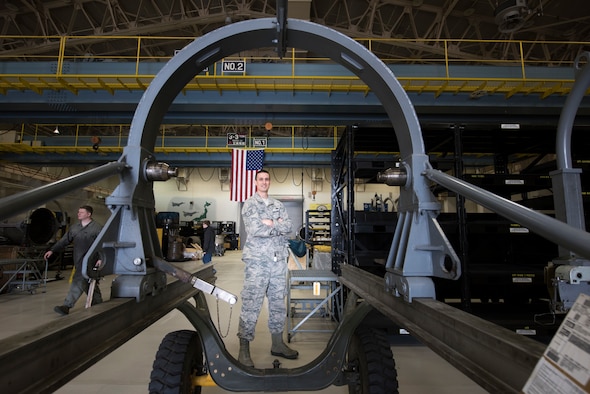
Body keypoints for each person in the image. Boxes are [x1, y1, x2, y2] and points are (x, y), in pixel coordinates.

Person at [237, 169, 298, 367]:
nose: (264, 182)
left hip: (278, 261)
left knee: (278, 303)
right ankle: (244, 349)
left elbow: (288, 226)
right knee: (251, 303)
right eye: (260, 179)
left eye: (266, 179)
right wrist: (276, 225)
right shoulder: (249, 204)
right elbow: (254, 229)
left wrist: (269, 223)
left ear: (269, 182)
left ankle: (278, 344)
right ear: (255, 182)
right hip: (257, 262)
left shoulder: (278, 204)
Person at [44, 205, 103, 315]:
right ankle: (98, 302)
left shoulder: (97, 228)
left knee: (79, 281)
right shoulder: (75, 228)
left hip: (91, 260)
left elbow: (102, 245)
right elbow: (64, 241)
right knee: (88, 282)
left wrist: (101, 258)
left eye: (81, 212)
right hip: (78, 260)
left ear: (88, 214)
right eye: (78, 212)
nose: (78, 214)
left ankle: (67, 306)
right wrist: (52, 250)